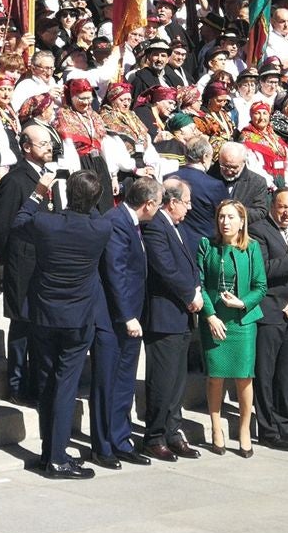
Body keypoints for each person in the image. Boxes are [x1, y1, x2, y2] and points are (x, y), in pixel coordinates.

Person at [16, 169, 112, 479]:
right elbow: (94, 209)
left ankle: (50, 452)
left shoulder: (47, 222)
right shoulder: (100, 227)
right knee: (64, 386)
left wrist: (39, 191)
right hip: (78, 318)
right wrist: (89, 194)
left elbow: (18, 223)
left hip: (45, 314)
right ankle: (56, 456)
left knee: (47, 382)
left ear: (67, 195)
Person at [89, 176, 162, 470]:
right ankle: (102, 445)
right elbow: (115, 272)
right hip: (114, 319)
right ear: (149, 204)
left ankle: (121, 440)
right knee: (107, 383)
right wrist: (128, 316)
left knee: (124, 383)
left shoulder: (131, 222)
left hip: (131, 318)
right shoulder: (117, 221)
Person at [0, 125, 59, 407]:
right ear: (26, 147)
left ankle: (37, 380)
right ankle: (17, 383)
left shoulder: (51, 176)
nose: (48, 148)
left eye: (49, 143)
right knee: (21, 326)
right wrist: (9, 263)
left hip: (45, 263)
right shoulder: (17, 179)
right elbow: (3, 225)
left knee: (40, 327)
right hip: (23, 263)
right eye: (42, 143)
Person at [195, 200, 266, 457]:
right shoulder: (207, 246)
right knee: (215, 377)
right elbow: (199, 284)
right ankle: (216, 427)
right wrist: (210, 315)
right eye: (221, 217)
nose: (225, 222)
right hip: (215, 320)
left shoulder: (252, 248)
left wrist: (242, 302)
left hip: (242, 321)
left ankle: (245, 429)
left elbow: (260, 286)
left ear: (242, 221)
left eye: (231, 217)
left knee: (244, 377)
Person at [142, 178, 204, 462]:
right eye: (186, 202)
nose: (189, 208)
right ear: (173, 201)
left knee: (177, 382)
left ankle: (172, 431)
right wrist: (190, 294)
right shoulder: (156, 225)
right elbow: (164, 267)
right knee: (163, 380)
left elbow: (187, 265)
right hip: (165, 315)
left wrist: (197, 287)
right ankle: (154, 436)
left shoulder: (177, 228)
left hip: (181, 316)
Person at [247, 190, 288, 452]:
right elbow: (261, 270)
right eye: (282, 207)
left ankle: (286, 425)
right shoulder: (258, 231)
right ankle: (268, 430)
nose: (287, 213)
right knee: (266, 375)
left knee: (287, 374)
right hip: (270, 313)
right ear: (272, 206)